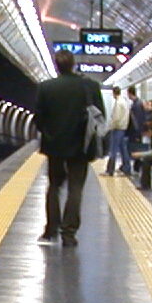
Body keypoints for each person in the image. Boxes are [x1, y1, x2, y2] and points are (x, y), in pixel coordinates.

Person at [33, 49, 106, 246]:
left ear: (56, 65)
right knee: (76, 188)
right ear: (73, 64)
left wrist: (49, 132)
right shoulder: (89, 86)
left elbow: (38, 118)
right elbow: (100, 117)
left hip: (54, 144)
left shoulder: (45, 87)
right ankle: (69, 233)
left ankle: (50, 230)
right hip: (81, 145)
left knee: (54, 186)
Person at [104, 87, 133, 176]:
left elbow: (116, 118)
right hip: (123, 128)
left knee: (113, 149)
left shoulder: (118, 103)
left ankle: (110, 170)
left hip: (117, 128)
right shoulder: (124, 102)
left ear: (114, 93)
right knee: (123, 149)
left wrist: (109, 127)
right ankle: (127, 168)